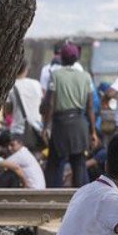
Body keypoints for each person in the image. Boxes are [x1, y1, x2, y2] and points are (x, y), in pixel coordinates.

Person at [43, 43, 97, 188]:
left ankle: (53, 202)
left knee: (54, 166)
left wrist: (45, 126)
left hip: (61, 124)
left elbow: (50, 104)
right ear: (76, 58)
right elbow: (90, 107)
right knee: (79, 164)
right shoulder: (86, 77)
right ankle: (83, 202)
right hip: (80, 124)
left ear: (61, 58)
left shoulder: (55, 75)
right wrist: (93, 131)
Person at [6, 59, 44, 148]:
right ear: (26, 69)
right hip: (36, 132)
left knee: (17, 160)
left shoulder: (11, 86)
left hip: (18, 132)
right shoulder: (37, 84)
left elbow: (7, 111)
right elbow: (42, 105)